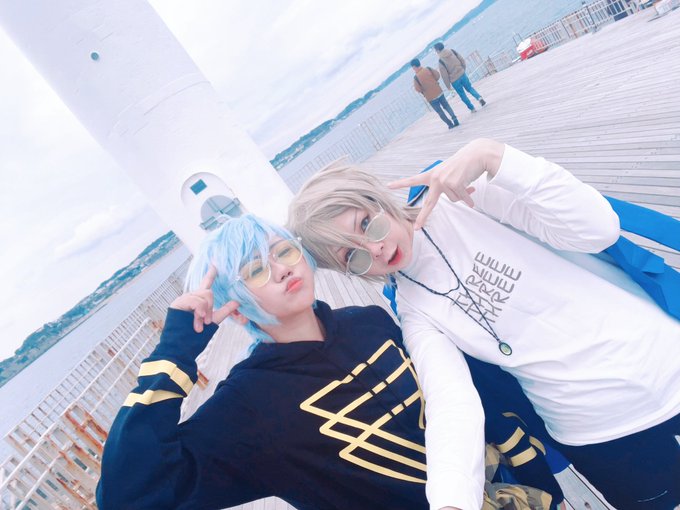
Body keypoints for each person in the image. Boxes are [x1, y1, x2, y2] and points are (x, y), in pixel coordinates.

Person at [287, 138, 680, 510]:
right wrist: (451, 499)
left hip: (665, 359)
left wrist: (494, 155)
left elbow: (597, 230)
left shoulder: (464, 199)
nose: (375, 248)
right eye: (352, 257)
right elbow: (451, 401)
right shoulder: (414, 311)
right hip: (598, 431)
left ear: (378, 200)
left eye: (366, 224)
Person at [96, 214, 555, 510]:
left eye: (283, 251)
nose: (281, 268)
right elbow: (129, 496)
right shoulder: (248, 407)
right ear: (234, 306)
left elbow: (452, 392)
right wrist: (176, 349)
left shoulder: (368, 322)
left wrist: (528, 461)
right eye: (255, 270)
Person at [434, 42, 486, 113]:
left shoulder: (440, 61)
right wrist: (463, 69)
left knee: (462, 95)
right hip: (462, 74)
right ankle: (479, 98)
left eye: (435, 50)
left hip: (454, 80)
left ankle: (472, 108)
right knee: (470, 88)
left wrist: (448, 86)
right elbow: (462, 60)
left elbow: (444, 75)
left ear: (438, 50)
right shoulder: (452, 51)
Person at [411, 58, 460, 130]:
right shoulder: (428, 69)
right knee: (446, 106)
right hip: (438, 91)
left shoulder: (416, 78)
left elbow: (418, 89)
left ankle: (450, 124)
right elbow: (437, 75)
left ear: (414, 67)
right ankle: (454, 117)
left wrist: (424, 90)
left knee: (440, 112)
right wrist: (433, 82)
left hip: (430, 97)